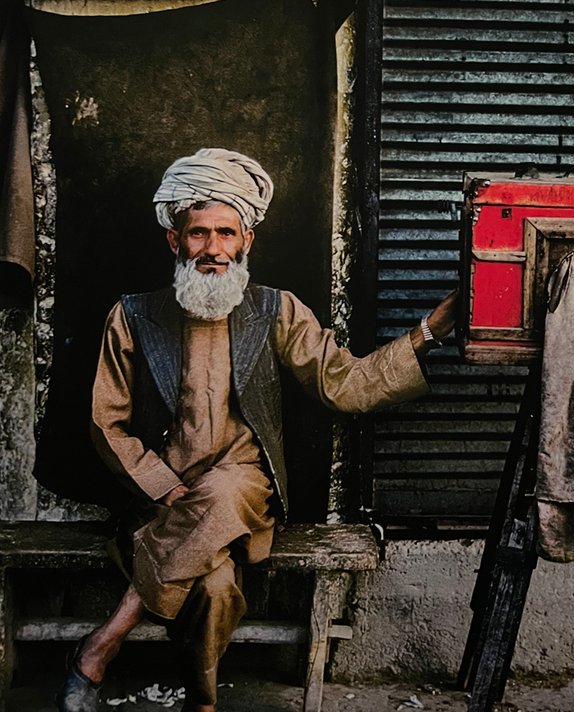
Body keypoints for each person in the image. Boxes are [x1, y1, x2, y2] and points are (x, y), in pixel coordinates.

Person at [56, 147, 457, 712]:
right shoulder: (133, 316)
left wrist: (426, 334)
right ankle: (204, 701)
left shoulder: (277, 311)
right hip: (162, 505)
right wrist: (161, 486)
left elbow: (345, 384)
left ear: (247, 240)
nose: (213, 249)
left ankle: (102, 642)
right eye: (198, 234)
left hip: (245, 496)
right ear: (175, 241)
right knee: (217, 587)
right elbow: (107, 422)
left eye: (226, 233)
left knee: (225, 488)